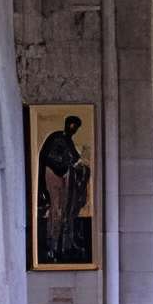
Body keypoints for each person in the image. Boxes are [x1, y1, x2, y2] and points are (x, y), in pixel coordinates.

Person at [37, 114, 94, 266]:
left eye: (76, 127)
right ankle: (51, 247)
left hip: (65, 177)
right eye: (72, 125)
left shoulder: (68, 141)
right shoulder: (56, 137)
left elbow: (75, 159)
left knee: (65, 212)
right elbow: (49, 158)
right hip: (52, 175)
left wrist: (79, 165)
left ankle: (63, 246)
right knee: (56, 211)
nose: (73, 129)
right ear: (67, 124)